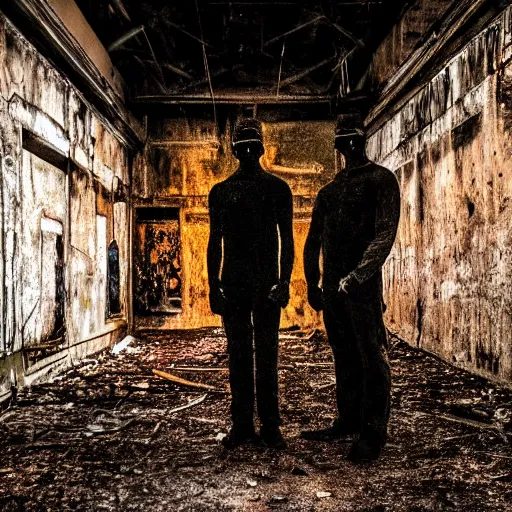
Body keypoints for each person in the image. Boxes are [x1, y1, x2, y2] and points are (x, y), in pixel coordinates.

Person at [301, 114, 400, 462]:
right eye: (344, 142)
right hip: (334, 290)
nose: (349, 147)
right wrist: (312, 282)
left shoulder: (381, 180)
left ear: (361, 142)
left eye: (352, 140)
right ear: (340, 147)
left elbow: (384, 234)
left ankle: (373, 432)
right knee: (343, 355)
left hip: (362, 289)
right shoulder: (329, 192)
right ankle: (348, 420)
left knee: (372, 357)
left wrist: (359, 275)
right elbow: (313, 242)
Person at [207, 118, 294, 450]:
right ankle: (260, 426)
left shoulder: (224, 191)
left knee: (244, 356)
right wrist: (282, 281)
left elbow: (216, 243)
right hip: (255, 284)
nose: (245, 152)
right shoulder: (274, 188)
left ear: (239, 151)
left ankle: (252, 425)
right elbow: (284, 241)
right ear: (261, 149)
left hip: (243, 285)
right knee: (258, 355)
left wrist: (216, 285)